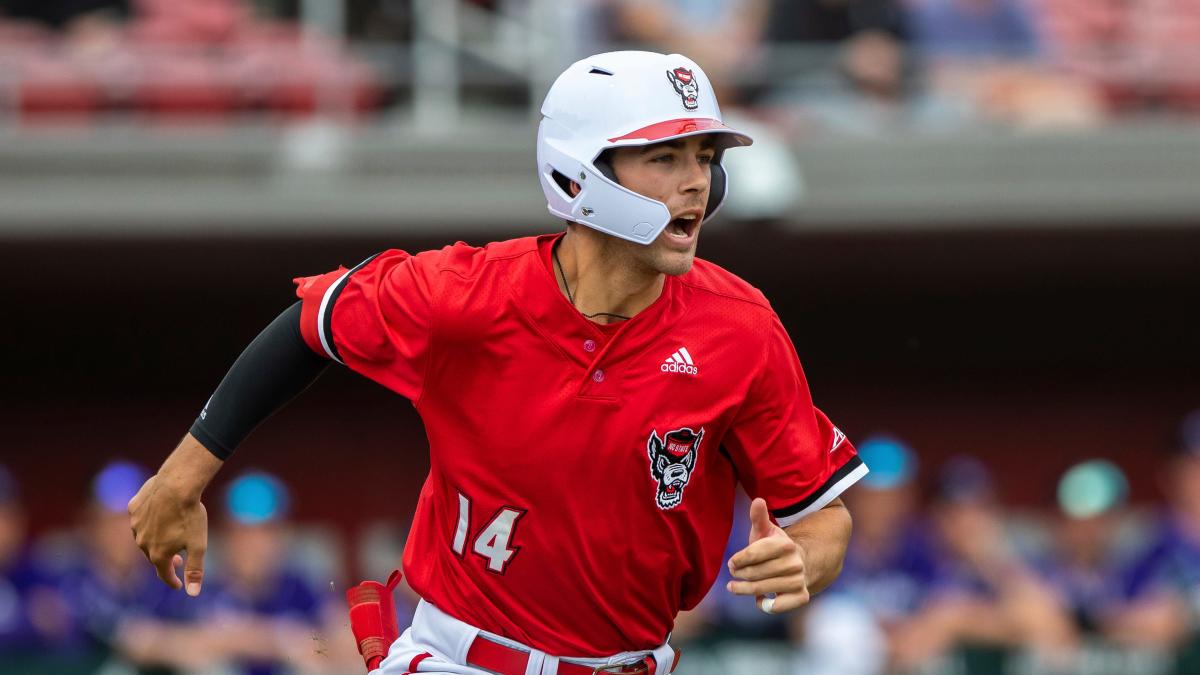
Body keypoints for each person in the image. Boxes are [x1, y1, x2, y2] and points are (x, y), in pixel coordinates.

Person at [128, 50, 866, 674]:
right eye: (665, 156)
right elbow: (312, 323)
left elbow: (823, 516)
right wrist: (183, 474)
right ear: (578, 173)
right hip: (461, 656)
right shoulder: (468, 292)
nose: (697, 180)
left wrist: (806, 559)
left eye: (705, 157)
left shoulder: (740, 327)